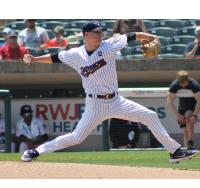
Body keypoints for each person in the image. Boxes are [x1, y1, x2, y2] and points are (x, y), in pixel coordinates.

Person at [21, 20, 199, 163]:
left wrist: (151, 36)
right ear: (86, 35)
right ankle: (35, 151)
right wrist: (34, 58)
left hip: (116, 101)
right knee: (76, 137)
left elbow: (132, 35)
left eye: (101, 31)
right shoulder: (75, 54)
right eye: (96, 32)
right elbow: (54, 57)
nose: (100, 34)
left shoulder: (109, 46)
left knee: (150, 116)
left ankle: (175, 151)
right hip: (95, 105)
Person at [167, 70, 200, 149]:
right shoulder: (174, 85)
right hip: (182, 107)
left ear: (187, 80)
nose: (182, 85)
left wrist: (195, 115)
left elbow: (199, 100)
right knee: (185, 130)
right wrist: (177, 115)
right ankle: (189, 148)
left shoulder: (194, 85)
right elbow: (169, 102)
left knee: (188, 116)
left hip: (193, 106)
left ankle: (191, 139)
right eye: (181, 84)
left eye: (184, 83)